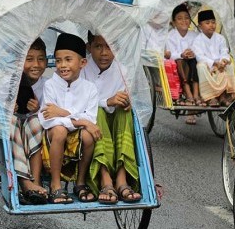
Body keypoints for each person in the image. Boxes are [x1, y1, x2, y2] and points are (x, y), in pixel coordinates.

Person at [39, 33, 100, 204]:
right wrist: (79, 120)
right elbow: (48, 118)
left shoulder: (90, 89)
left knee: (89, 135)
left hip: (78, 135)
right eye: (58, 61)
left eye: (68, 59)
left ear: (82, 63)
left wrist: (62, 113)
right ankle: (55, 184)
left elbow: (91, 118)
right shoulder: (50, 85)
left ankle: (80, 183)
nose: (62, 65)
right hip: (53, 135)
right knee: (59, 130)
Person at [82, 32, 141, 204]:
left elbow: (128, 95)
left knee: (125, 110)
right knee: (97, 111)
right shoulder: (83, 68)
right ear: (89, 47)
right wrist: (107, 101)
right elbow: (81, 104)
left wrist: (126, 101)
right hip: (90, 123)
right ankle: (105, 177)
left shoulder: (122, 70)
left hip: (116, 122)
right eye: (98, 47)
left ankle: (121, 177)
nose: (104, 53)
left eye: (109, 47)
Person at [11, 38, 48, 205]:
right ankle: (25, 182)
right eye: (29, 59)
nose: (36, 64)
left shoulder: (49, 85)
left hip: (34, 129)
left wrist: (38, 110)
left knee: (36, 120)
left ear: (47, 62)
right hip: (11, 131)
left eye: (41, 59)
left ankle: (36, 179)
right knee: (11, 120)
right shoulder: (10, 83)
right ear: (20, 61)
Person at [193, 10, 235, 107]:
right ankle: (211, 97)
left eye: (213, 22)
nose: (211, 25)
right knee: (200, 66)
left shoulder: (220, 38)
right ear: (200, 26)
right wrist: (214, 63)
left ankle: (224, 96)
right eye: (207, 23)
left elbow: (224, 51)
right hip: (207, 66)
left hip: (220, 65)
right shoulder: (197, 40)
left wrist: (224, 60)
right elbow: (199, 56)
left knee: (230, 64)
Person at [165, 4, 202, 124]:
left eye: (186, 17)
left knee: (195, 61)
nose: (184, 21)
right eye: (180, 18)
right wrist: (181, 54)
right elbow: (169, 54)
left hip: (192, 64)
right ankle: (189, 94)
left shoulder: (195, 35)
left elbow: (200, 49)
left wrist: (192, 53)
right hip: (178, 65)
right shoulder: (170, 36)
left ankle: (194, 95)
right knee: (181, 61)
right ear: (174, 22)